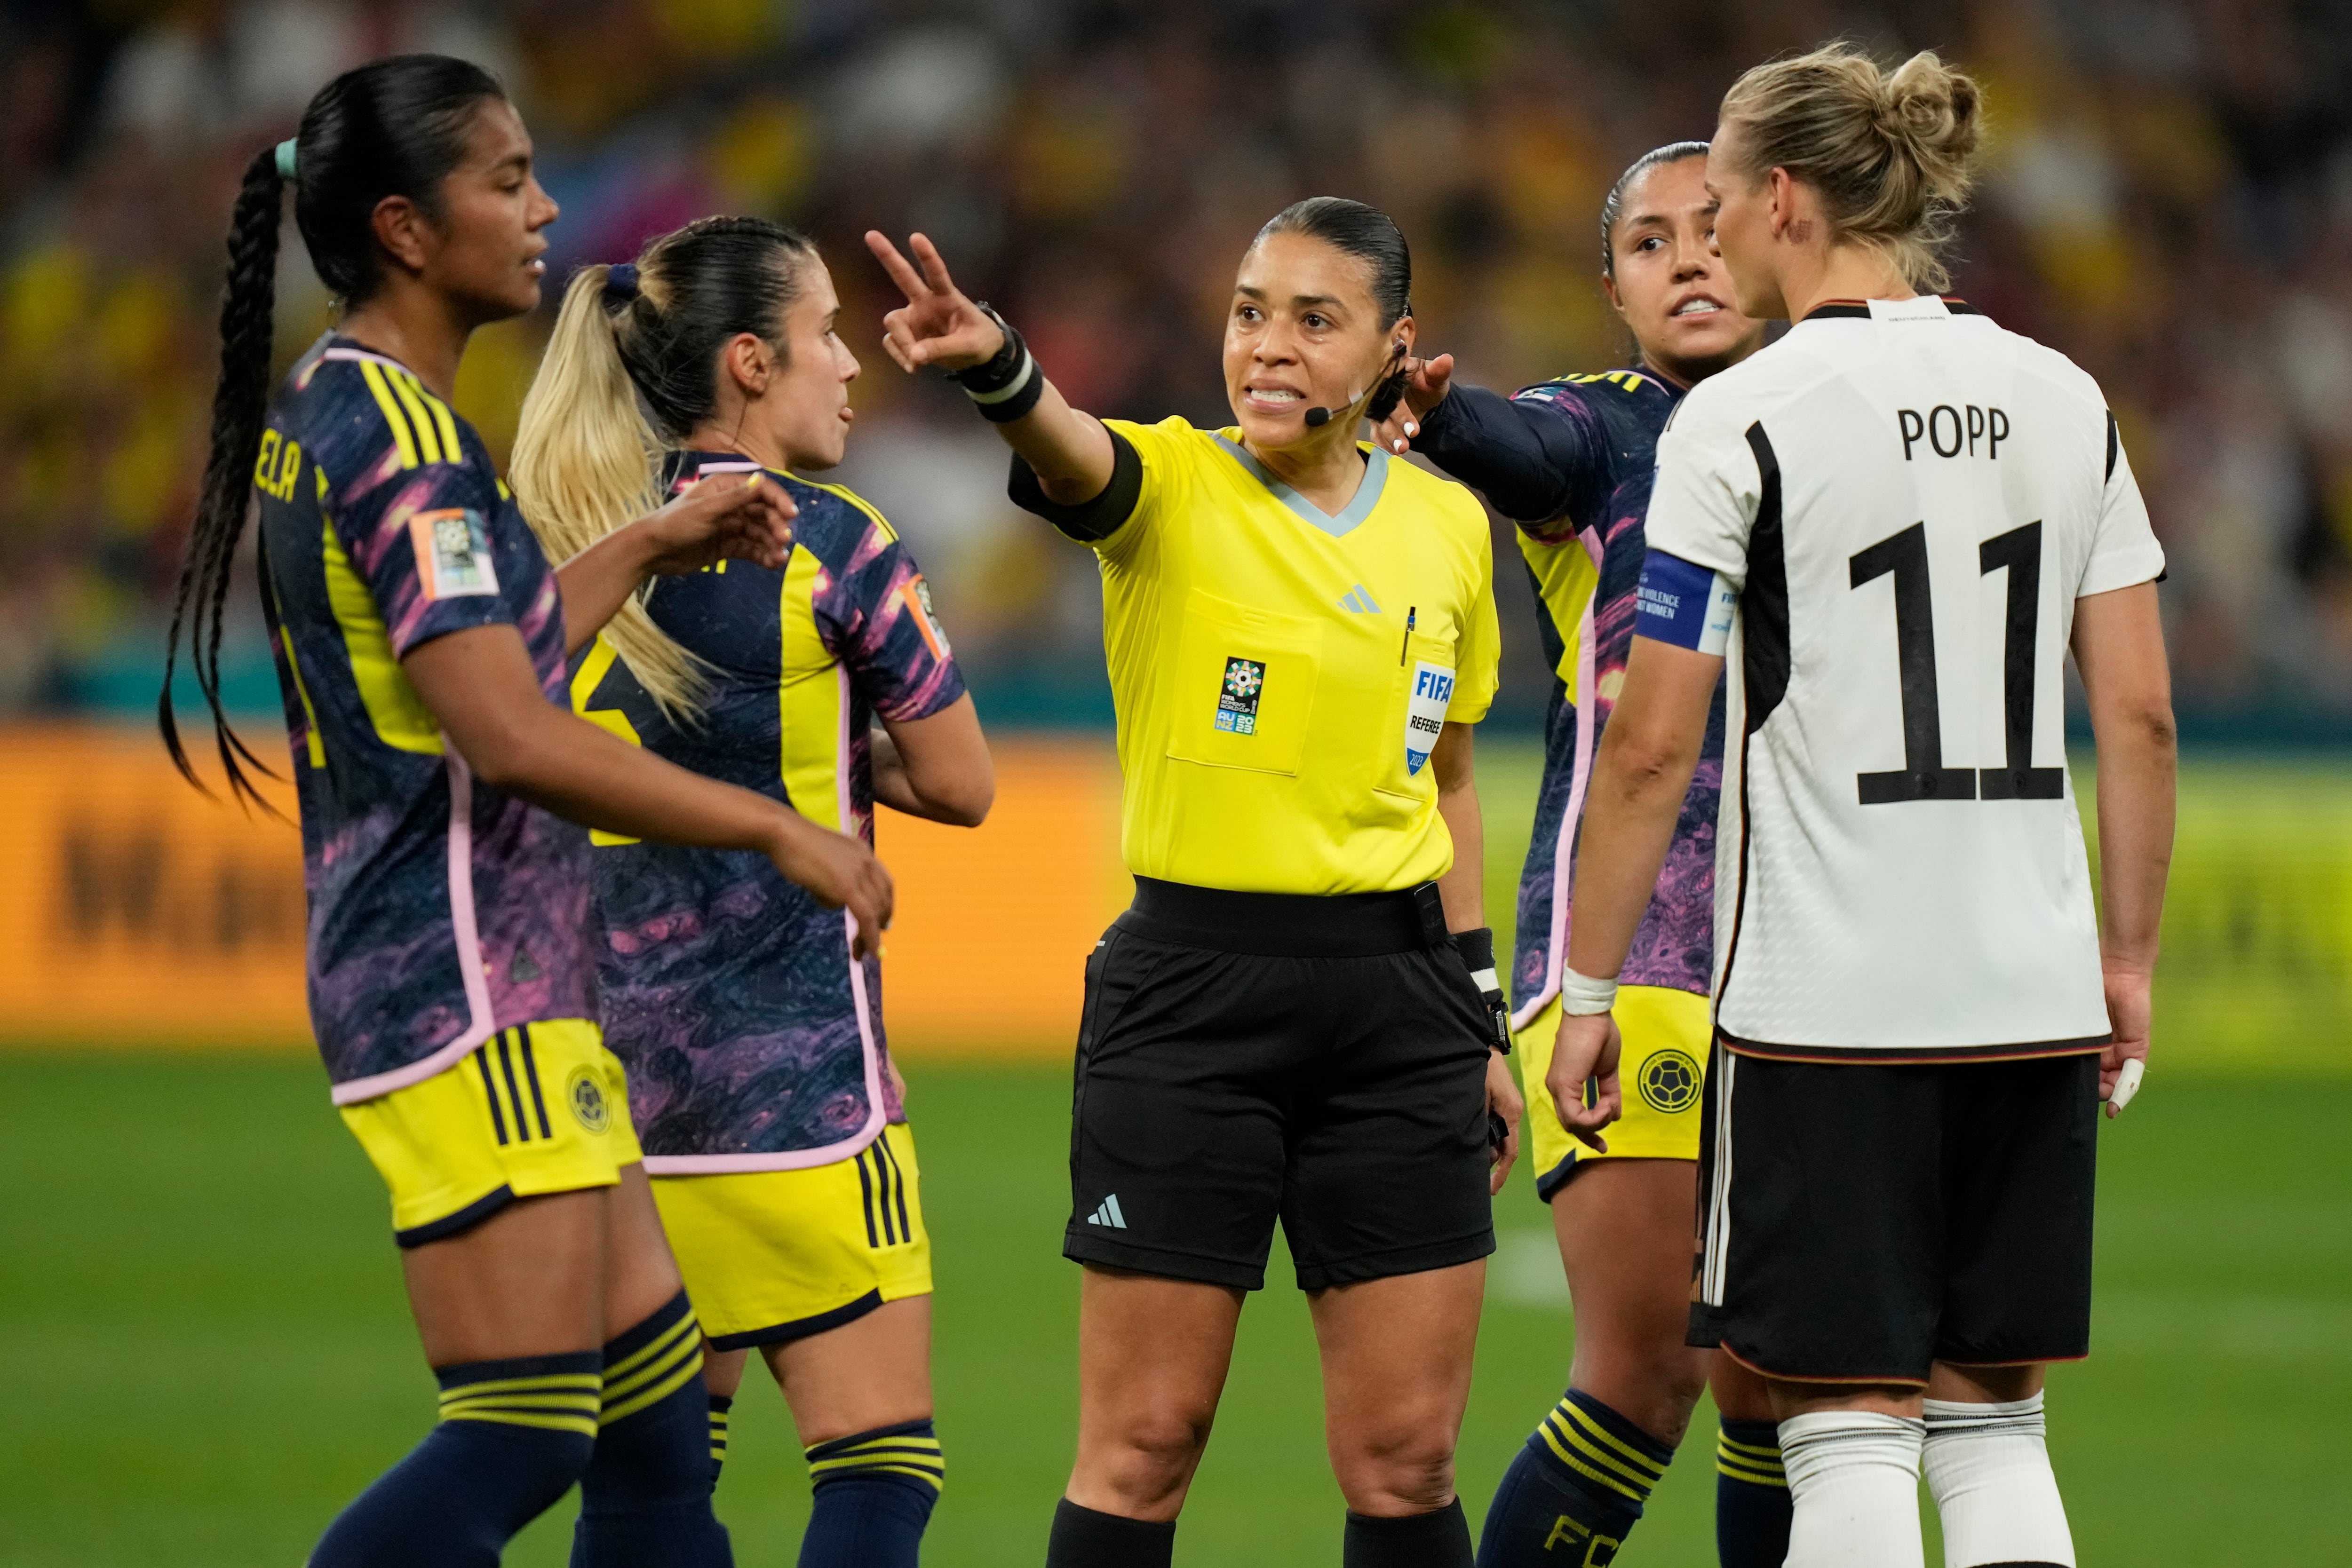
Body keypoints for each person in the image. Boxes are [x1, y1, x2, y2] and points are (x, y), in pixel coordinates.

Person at [158, 56, 892, 1568]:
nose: (547, 207)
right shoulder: (411, 449)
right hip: (467, 977)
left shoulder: (346, 408)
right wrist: (772, 827)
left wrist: (648, 540)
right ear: (407, 230)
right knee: (523, 1431)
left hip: (484, 977)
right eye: (505, 180)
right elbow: (506, 732)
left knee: (649, 1433)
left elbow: (490, 653)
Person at [1546, 43, 2176, 1568]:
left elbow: (1647, 748)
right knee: (1996, 1430)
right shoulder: (2063, 395)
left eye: (1720, 196)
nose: (1705, 235)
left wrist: (1588, 989)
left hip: (1828, 999)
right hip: (2028, 986)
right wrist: (2129, 961)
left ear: (1780, 200)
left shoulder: (1739, 422)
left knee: (1840, 1439)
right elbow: (2142, 711)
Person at [866, 198, 1521, 1568]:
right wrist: (999, 366)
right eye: (1247, 312)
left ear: (1394, 347)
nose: (1268, 347)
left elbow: (1446, 775)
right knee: (1144, 1444)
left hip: (1405, 1010)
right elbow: (1072, 451)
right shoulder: (1172, 486)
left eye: (1314, 319)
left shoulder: (1453, 530)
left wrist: (1480, 1016)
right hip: (1190, 1007)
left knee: (1405, 1463)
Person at [509, 214, 993, 1568]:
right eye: (826, 333)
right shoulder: (830, 542)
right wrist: (830, 752)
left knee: (649, 1491)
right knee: (880, 1464)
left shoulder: (574, 537)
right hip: (802, 1091)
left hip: (608, 1099)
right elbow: (961, 785)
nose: (850, 365)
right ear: (747, 363)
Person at [1371, 142, 1789, 1568]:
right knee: (1648, 1374)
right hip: (1639, 949)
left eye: (1713, 230)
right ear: (1610, 285)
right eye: (1651, 240)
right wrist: (1440, 416)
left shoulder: (1839, 418)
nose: (1688, 259)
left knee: (1784, 1384)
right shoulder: (1605, 429)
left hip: (1815, 944)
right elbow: (1514, 445)